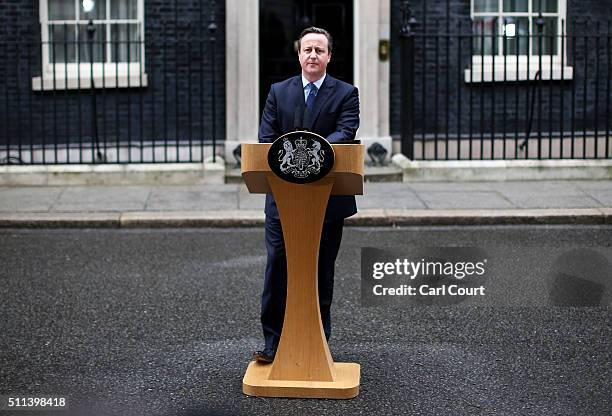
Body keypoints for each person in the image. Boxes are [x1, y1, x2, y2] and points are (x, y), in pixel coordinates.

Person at [253, 26, 360, 363]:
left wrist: (313, 150)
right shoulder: (278, 92)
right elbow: (266, 136)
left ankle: (319, 341)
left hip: (327, 200)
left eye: (319, 50)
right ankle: (273, 343)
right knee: (278, 267)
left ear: (329, 56)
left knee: (321, 270)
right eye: (307, 49)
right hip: (283, 201)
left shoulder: (345, 93)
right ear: (299, 55)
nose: (313, 55)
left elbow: (346, 130)